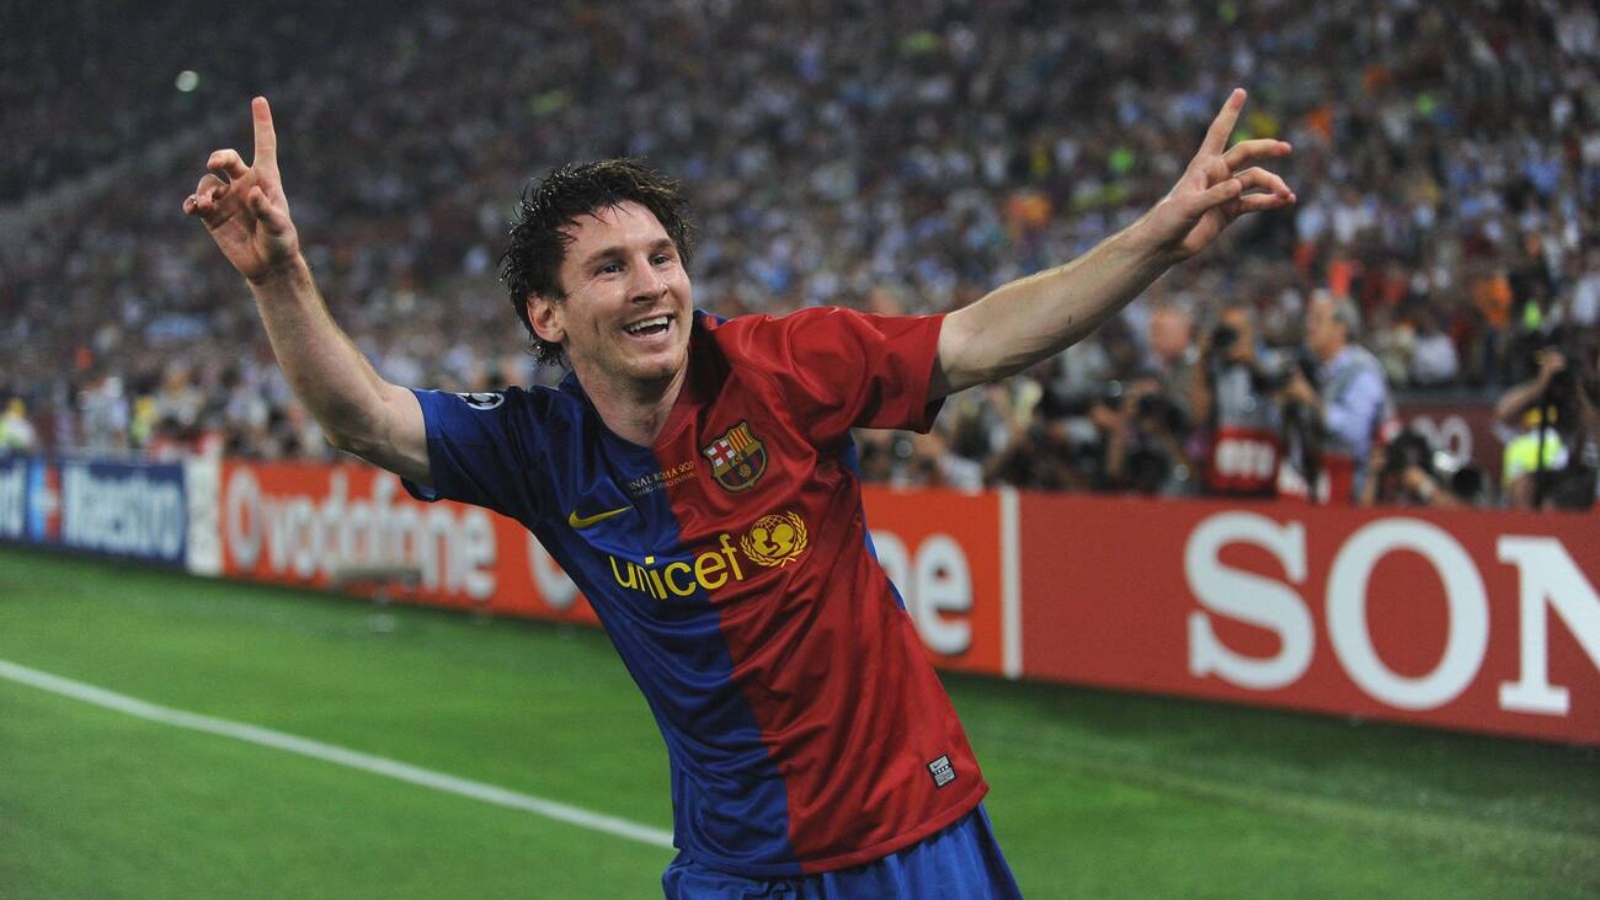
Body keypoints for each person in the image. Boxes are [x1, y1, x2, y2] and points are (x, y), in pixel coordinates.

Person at [184, 91, 1293, 898]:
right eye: (609, 267)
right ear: (546, 317)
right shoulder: (537, 449)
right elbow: (363, 417)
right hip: (737, 868)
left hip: (911, 834)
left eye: (662, 256)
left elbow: (978, 339)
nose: (652, 283)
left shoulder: (786, 365)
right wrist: (281, 273)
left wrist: (1154, 240)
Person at [1282, 290, 1391, 503]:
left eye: (1318, 320)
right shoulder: (1310, 367)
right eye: (1309, 318)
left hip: (1351, 494)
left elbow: (1355, 434)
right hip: (1312, 489)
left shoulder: (1362, 371)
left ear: (1339, 329)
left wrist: (1311, 401)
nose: (1309, 326)